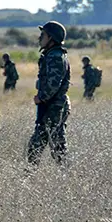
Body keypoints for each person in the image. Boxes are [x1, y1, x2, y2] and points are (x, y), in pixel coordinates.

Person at [27, 21, 71, 166]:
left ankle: (29, 178)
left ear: (51, 38)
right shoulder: (52, 55)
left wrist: (42, 97)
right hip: (52, 105)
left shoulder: (55, 57)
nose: (40, 38)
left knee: (42, 145)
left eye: (43, 35)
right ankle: (65, 176)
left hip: (54, 106)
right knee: (55, 145)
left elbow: (54, 83)